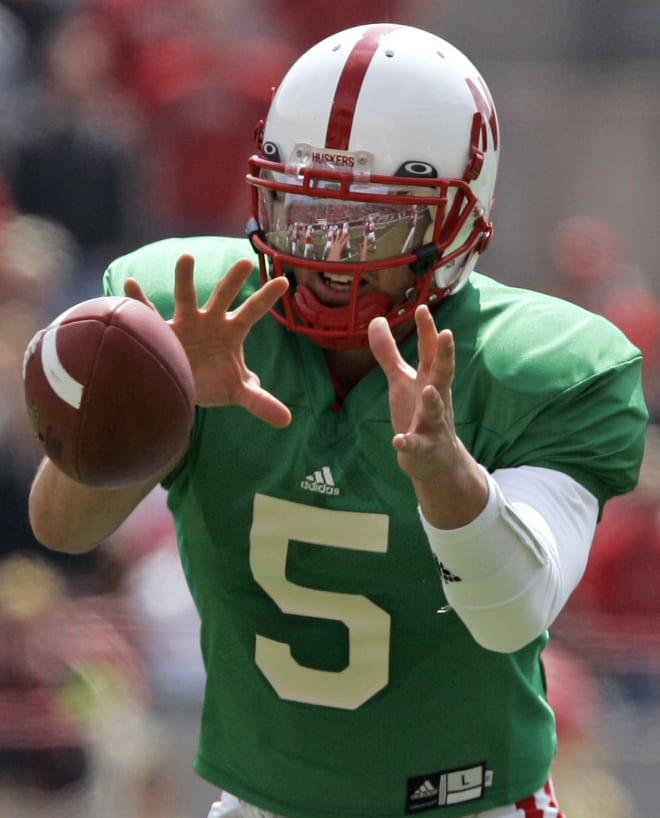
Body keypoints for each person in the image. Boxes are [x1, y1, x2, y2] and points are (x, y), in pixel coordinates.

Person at [28, 23, 648, 818]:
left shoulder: (539, 363)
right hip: (260, 800)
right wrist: (157, 409)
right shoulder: (202, 309)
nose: (327, 256)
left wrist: (447, 478)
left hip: (468, 806)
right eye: (302, 214)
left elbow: (513, 612)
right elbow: (63, 529)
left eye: (370, 225)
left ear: (456, 222)